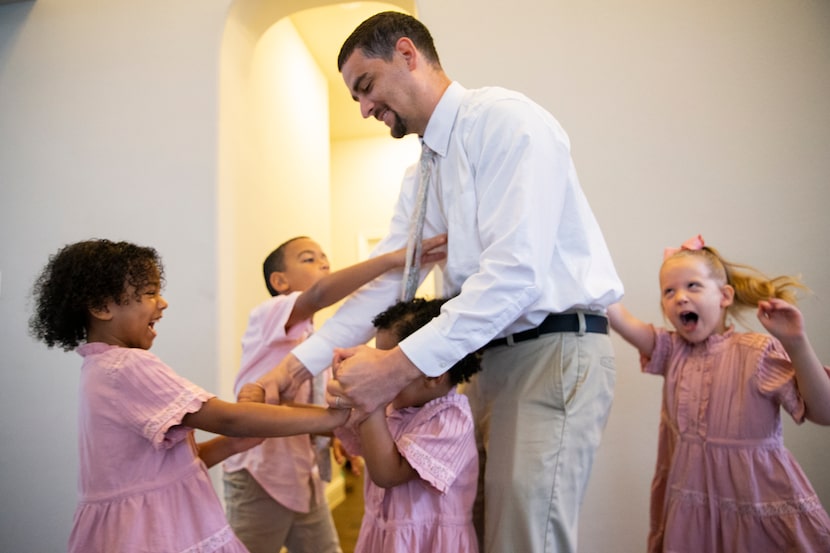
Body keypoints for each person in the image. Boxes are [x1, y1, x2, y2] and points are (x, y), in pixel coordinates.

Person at [250, 11, 624, 553]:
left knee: (523, 536)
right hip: (478, 358)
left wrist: (396, 367)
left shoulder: (505, 121)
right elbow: (391, 284)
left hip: (550, 351)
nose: (363, 108)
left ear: (407, 53)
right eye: (355, 97)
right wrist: (296, 365)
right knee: (469, 526)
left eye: (366, 86)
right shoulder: (422, 170)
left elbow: (516, 274)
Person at [27, 239, 350, 553]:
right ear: (100, 306)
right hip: (153, 531)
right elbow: (228, 418)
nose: (163, 303)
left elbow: (167, 465)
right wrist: (337, 418)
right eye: (150, 293)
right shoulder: (126, 365)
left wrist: (234, 444)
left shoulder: (98, 368)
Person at [223, 234, 447, 553]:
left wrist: (336, 442)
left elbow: (315, 405)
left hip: (303, 478)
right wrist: (391, 259)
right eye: (308, 258)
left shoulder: (317, 341)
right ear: (279, 281)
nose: (323, 262)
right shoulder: (269, 314)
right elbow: (318, 295)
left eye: (324, 256)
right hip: (260, 477)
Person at [607, 235, 830, 552]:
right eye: (668, 292)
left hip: (756, 503)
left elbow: (824, 412)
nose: (679, 297)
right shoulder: (672, 351)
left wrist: (796, 344)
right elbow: (618, 316)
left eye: (692, 286)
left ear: (725, 296)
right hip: (692, 509)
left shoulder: (757, 353)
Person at [335, 297, 480, 552]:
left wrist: (371, 397)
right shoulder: (394, 407)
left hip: (428, 543)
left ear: (433, 374)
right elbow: (355, 430)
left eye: (384, 366)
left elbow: (387, 474)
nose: (374, 374)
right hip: (384, 535)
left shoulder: (450, 419)